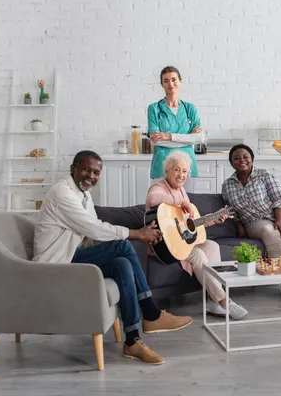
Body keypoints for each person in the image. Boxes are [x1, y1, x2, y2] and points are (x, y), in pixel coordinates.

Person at [32, 150, 193, 365]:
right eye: (86, 169)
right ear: (73, 169)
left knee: (122, 263)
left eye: (96, 172)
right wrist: (138, 233)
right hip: (54, 265)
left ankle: (132, 340)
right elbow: (94, 228)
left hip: (70, 257)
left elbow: (92, 230)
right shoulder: (62, 193)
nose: (91, 176)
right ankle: (151, 313)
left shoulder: (85, 196)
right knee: (122, 246)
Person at [145, 150, 248, 320]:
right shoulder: (159, 187)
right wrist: (182, 201)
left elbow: (190, 225)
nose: (181, 175)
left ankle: (212, 301)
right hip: (164, 245)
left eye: (184, 171)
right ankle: (224, 302)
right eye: (176, 170)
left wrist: (214, 219)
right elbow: (153, 199)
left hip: (181, 243)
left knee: (212, 246)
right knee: (198, 254)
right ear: (167, 171)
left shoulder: (182, 191)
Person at [222, 144, 281, 299]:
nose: (242, 160)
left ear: (252, 159)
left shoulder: (264, 175)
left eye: (245, 156)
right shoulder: (227, 185)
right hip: (255, 221)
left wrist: (280, 220)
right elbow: (232, 211)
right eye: (236, 158)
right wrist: (239, 227)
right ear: (231, 162)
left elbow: (280, 198)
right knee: (269, 230)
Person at [147, 66, 204, 192]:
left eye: (174, 80)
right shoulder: (154, 108)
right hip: (162, 166)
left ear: (180, 81)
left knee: (186, 207)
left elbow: (199, 138)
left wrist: (169, 136)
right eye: (166, 81)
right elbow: (157, 141)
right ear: (162, 84)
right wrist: (188, 139)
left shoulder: (190, 108)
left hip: (187, 167)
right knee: (162, 208)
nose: (170, 84)